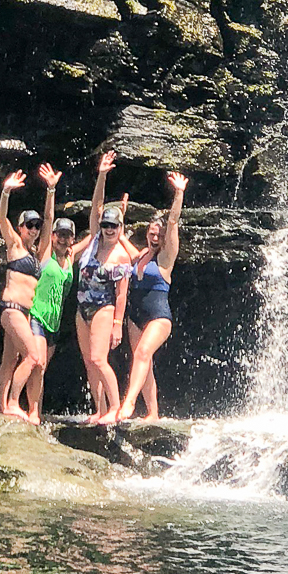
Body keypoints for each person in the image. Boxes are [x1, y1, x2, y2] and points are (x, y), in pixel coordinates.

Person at [118, 172, 188, 423]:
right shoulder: (140, 256)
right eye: (152, 233)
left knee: (142, 353)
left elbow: (172, 223)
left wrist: (178, 194)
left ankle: (128, 404)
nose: (155, 237)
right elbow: (119, 238)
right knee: (142, 362)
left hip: (158, 316)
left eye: (158, 234)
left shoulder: (165, 258)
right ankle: (152, 413)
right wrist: (121, 216)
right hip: (135, 316)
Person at [74, 152, 134, 425]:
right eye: (106, 225)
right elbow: (96, 206)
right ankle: (99, 410)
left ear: (121, 228)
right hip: (82, 308)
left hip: (103, 308)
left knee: (99, 358)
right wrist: (101, 175)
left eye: (114, 226)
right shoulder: (94, 240)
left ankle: (115, 407)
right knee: (88, 362)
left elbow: (122, 293)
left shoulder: (121, 255)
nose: (109, 229)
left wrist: (118, 324)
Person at [0, 165, 59, 419]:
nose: (33, 229)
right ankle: (12, 402)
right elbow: (1, 219)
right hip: (11, 310)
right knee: (33, 357)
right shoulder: (14, 245)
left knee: (10, 360)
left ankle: (1, 406)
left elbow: (50, 220)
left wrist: (51, 190)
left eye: (36, 226)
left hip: (24, 313)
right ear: (21, 227)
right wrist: (6, 192)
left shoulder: (36, 253)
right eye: (29, 225)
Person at [8, 212, 75, 425]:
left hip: (54, 322)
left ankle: (35, 410)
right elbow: (48, 218)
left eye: (67, 235)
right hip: (37, 315)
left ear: (72, 238)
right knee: (35, 361)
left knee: (41, 367)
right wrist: (51, 191)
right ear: (53, 236)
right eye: (59, 234)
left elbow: (94, 234)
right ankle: (17, 403)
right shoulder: (46, 254)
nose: (63, 239)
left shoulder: (71, 258)